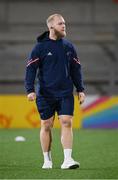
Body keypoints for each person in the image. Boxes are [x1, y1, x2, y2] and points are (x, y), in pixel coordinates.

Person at [25, 13, 85, 169]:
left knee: (66, 122)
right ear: (51, 26)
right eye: (60, 23)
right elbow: (31, 69)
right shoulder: (40, 47)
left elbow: (76, 70)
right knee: (46, 125)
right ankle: (47, 160)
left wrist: (80, 89)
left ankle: (67, 160)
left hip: (65, 92)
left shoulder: (69, 47)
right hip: (45, 94)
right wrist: (30, 89)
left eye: (64, 23)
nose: (64, 25)